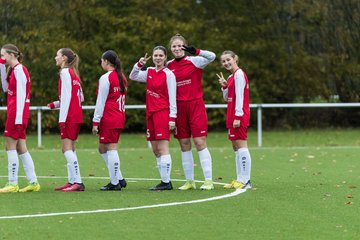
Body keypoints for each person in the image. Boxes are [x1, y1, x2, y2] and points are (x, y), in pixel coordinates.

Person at [167, 34, 216, 190]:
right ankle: (189, 181)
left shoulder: (194, 61)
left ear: (185, 46)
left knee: (200, 142)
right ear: (171, 49)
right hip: (179, 108)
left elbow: (212, 56)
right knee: (184, 143)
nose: (177, 48)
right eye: (174, 46)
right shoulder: (168, 66)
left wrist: (195, 51)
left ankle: (208, 180)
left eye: (180, 45)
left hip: (195, 106)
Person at [129, 46, 177, 191]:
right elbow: (133, 76)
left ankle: (166, 182)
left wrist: (172, 118)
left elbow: (173, 97)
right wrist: (139, 64)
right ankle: (163, 180)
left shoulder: (169, 74)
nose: (157, 58)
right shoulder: (149, 71)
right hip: (150, 113)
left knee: (163, 148)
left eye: (160, 55)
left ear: (165, 57)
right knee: (155, 150)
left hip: (162, 113)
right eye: (155, 55)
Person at [0, 44, 40, 193]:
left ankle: (12, 183)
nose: (1, 58)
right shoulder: (14, 70)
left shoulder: (20, 70)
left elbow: (22, 95)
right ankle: (33, 182)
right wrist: (1, 68)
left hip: (18, 114)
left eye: (3, 55)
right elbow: (6, 88)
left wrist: (17, 118)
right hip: (17, 113)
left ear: (11, 55)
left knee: (9, 146)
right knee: (21, 147)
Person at [48, 48, 85, 192]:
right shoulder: (74, 73)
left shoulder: (65, 72)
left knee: (66, 149)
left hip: (69, 116)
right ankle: (72, 181)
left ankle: (78, 182)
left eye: (57, 55)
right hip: (76, 115)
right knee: (71, 149)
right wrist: (55, 104)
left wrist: (62, 119)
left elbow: (68, 97)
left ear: (63, 58)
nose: (55, 57)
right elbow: (79, 97)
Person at [92, 50, 128, 191]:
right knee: (102, 148)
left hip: (110, 117)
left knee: (111, 148)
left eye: (102, 61)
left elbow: (100, 101)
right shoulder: (121, 77)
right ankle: (119, 178)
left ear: (106, 62)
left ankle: (114, 183)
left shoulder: (106, 78)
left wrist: (96, 122)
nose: (101, 63)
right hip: (118, 116)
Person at [217, 50, 252, 189]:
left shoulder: (239, 74)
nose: (226, 63)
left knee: (242, 145)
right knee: (236, 146)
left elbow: (241, 97)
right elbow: (227, 98)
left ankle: (246, 180)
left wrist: (238, 116)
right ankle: (239, 178)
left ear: (235, 59)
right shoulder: (231, 77)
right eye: (223, 61)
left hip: (239, 114)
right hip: (231, 114)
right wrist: (225, 85)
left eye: (228, 60)